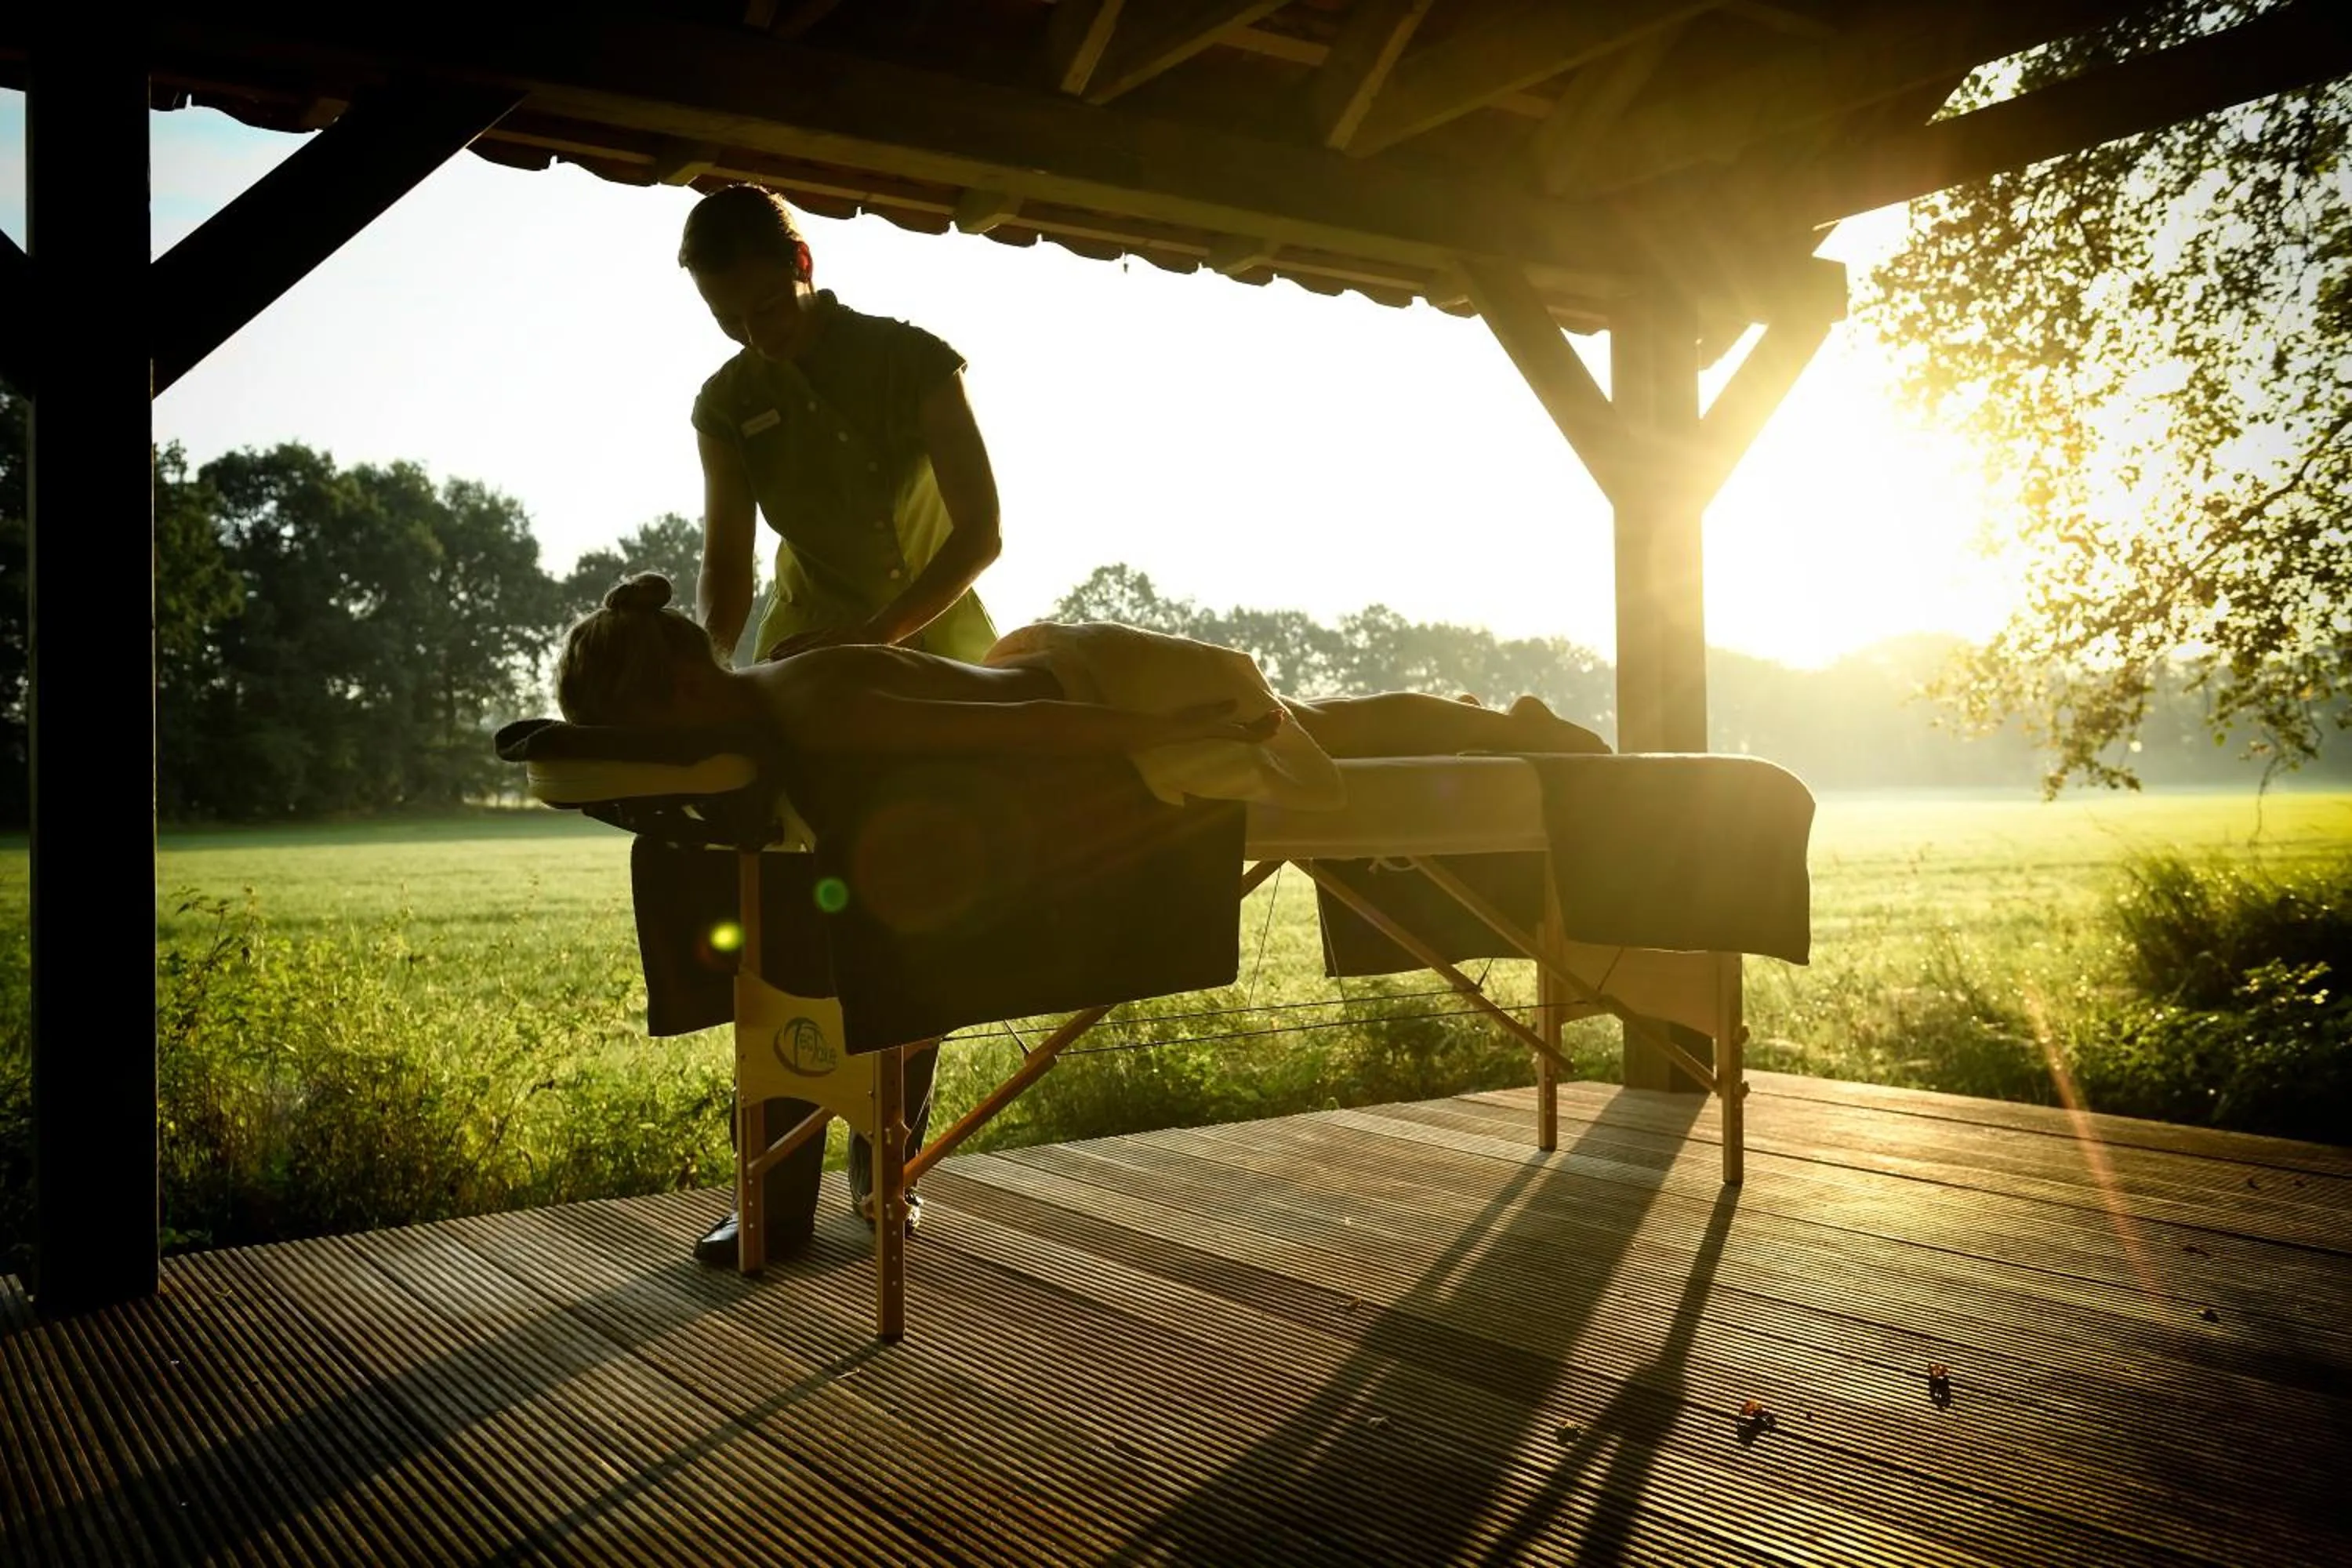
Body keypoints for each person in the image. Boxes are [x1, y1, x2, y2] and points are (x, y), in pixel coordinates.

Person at [678, 183, 1005, 1265]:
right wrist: (707, 673)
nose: (755, 336)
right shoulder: (727, 402)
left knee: (920, 913)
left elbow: (982, 535)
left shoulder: (916, 361)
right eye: (730, 321)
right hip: (806, 667)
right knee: (779, 921)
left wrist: (881, 638)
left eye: (767, 308)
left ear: (805, 264)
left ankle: (887, 1168)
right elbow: (729, 571)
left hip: (938, 661)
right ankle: (769, 1196)